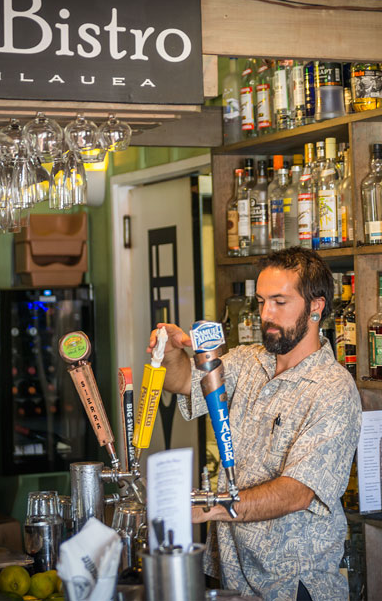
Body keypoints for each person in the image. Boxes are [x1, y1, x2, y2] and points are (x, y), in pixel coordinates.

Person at [147, 247, 361, 600]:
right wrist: (170, 352)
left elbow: (296, 493)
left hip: (292, 586)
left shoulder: (333, 390)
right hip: (230, 575)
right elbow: (183, 381)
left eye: (279, 301)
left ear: (316, 306)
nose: (266, 314)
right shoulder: (248, 361)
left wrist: (211, 507)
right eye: (262, 301)